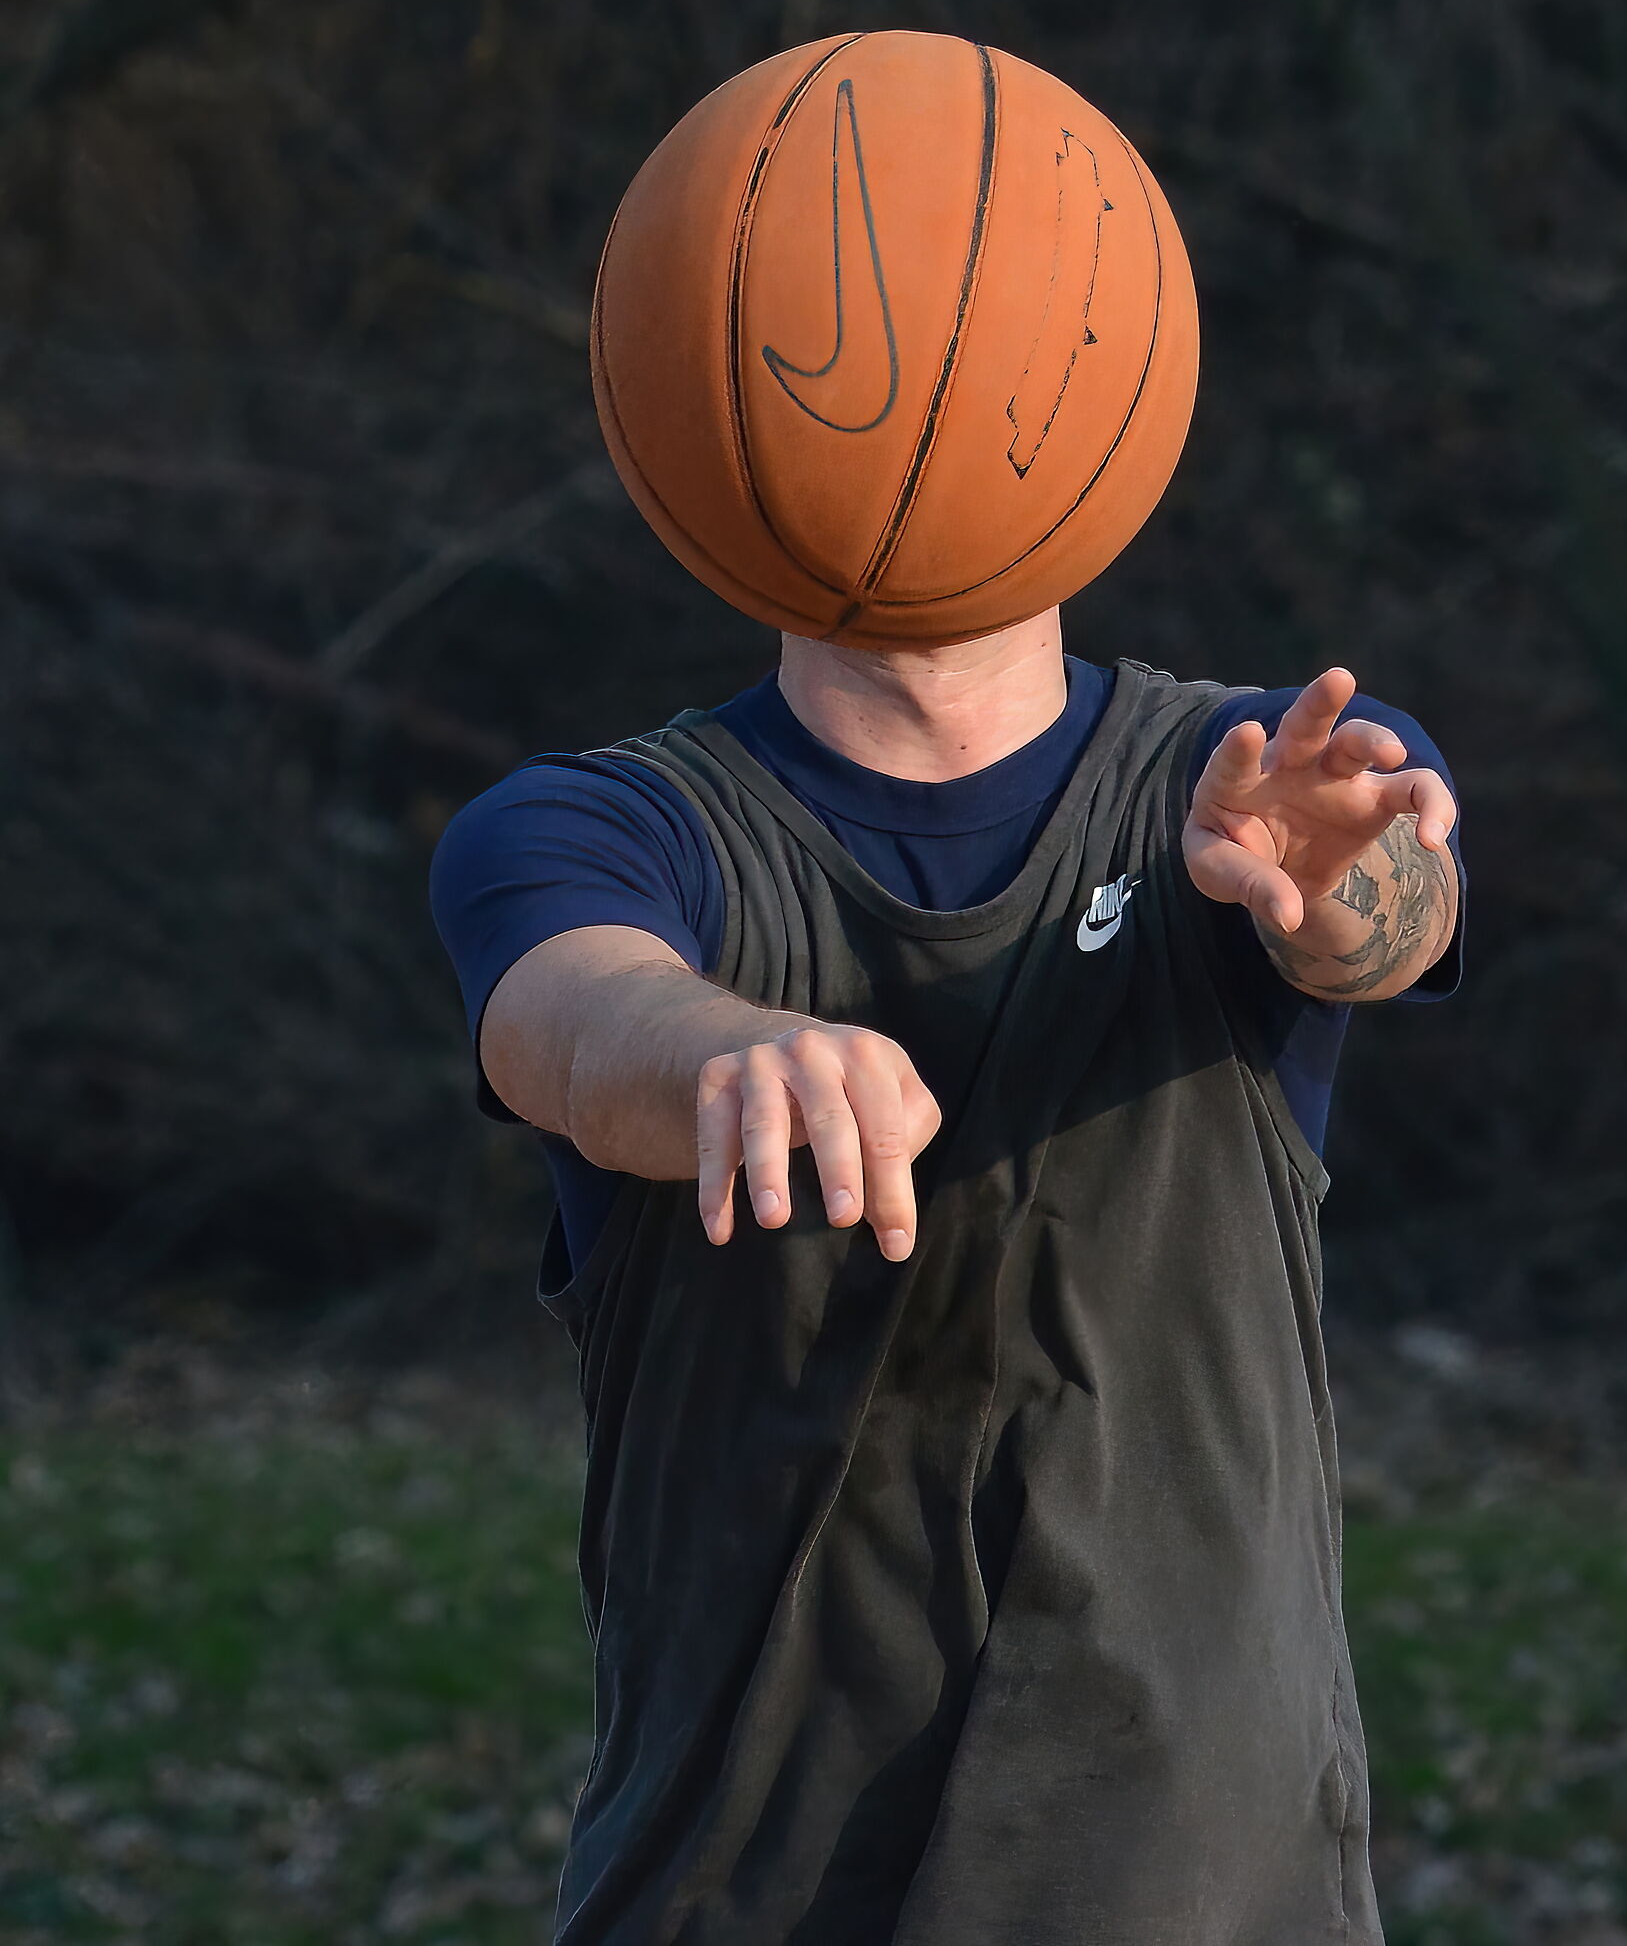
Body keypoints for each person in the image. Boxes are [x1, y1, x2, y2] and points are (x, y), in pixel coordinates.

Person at [431, 607, 1461, 1944]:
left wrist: (1334, 885)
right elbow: (566, 1025)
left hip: (1198, 1880)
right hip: (744, 1879)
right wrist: (719, 1048)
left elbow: (1390, 930)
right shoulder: (598, 824)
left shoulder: (1257, 759)